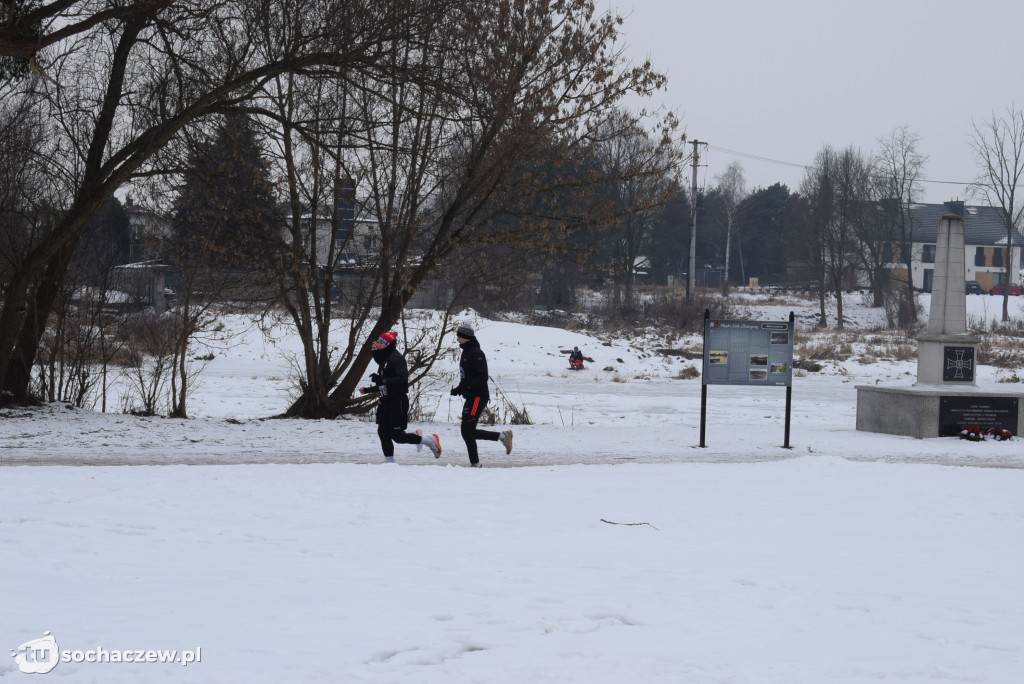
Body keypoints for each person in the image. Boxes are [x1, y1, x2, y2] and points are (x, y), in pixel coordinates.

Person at [359, 331, 441, 463]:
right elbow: (384, 378)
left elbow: (402, 380)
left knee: (397, 436)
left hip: (397, 402)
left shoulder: (396, 358)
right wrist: (369, 389)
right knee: (383, 432)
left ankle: (428, 440)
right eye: (377, 342)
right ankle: (390, 463)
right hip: (386, 401)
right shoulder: (385, 359)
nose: (377, 344)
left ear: (387, 344)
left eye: (380, 343)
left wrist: (382, 380)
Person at [450, 323, 512, 468]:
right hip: (471, 395)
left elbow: (482, 376)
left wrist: (468, 387)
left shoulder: (476, 353)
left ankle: (476, 464)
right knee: (468, 431)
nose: (457, 338)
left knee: (467, 431)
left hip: (478, 396)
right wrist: (459, 389)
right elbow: (466, 377)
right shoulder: (466, 351)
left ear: (466, 337)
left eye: (459, 335)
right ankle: (503, 437)